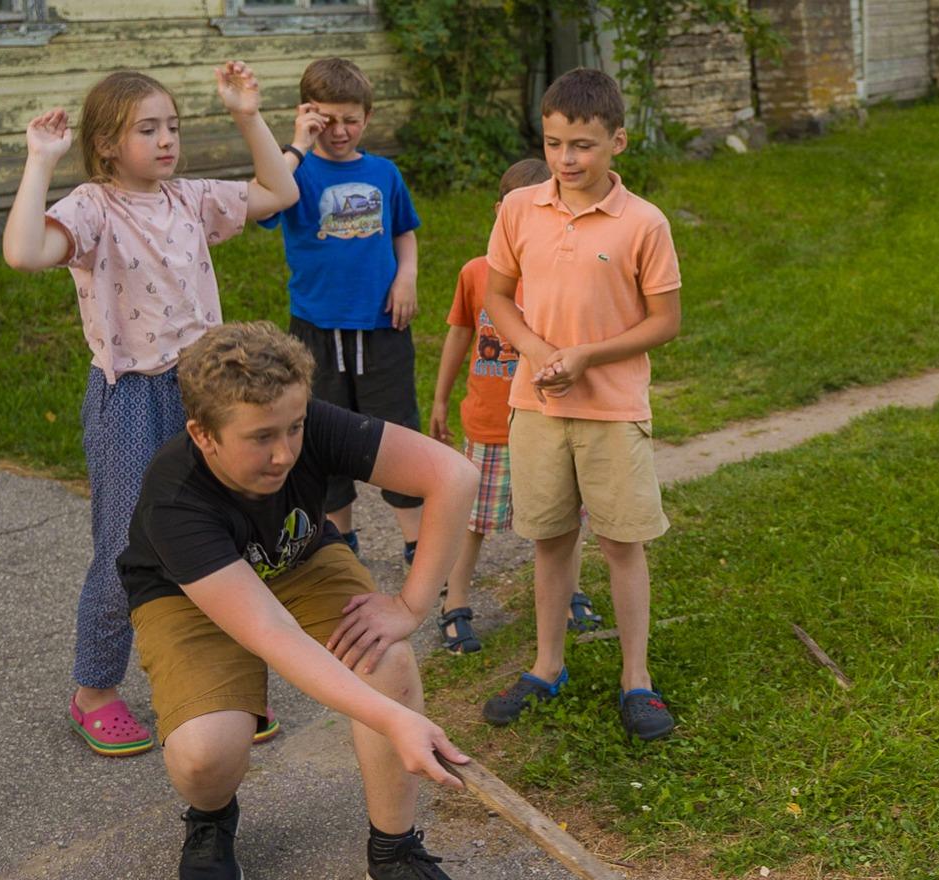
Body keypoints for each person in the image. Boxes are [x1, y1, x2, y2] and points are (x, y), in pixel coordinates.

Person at [117, 320, 478, 880]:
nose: (285, 453)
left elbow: (454, 476)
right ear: (203, 434)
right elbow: (273, 632)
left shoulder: (300, 420)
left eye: (294, 427)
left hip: (297, 558)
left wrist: (411, 606)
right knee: (205, 753)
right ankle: (211, 816)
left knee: (387, 661)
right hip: (189, 595)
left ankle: (393, 852)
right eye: (261, 437)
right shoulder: (175, 498)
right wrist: (396, 721)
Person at [2, 63, 299, 758]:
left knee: (222, 536)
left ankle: (220, 683)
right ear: (107, 144)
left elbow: (279, 192)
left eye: (172, 126)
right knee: (125, 545)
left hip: (209, 392)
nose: (166, 140)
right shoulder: (93, 208)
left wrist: (246, 114)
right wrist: (40, 160)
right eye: (147, 130)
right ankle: (94, 691)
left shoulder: (190, 198)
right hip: (132, 397)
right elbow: (22, 251)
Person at [480, 69, 682, 741]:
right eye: (554, 143)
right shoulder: (519, 209)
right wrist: (539, 352)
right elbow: (498, 296)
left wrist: (587, 357)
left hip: (613, 410)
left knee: (622, 541)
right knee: (550, 539)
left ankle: (636, 679)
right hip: (536, 407)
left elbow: (665, 320)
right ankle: (547, 665)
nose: (566, 159)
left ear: (617, 141)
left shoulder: (644, 223)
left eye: (583, 146)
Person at [428, 157, 602, 655]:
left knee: (565, 519)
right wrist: (440, 397)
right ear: (499, 213)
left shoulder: (565, 271)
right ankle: (454, 601)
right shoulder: (476, 273)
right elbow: (459, 335)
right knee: (473, 519)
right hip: (489, 422)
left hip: (551, 418)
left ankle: (568, 594)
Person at [260, 57, 423, 563]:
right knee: (320, 432)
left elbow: (404, 230)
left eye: (351, 120)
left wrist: (407, 275)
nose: (339, 131)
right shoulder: (294, 174)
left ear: (367, 117)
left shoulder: (384, 173)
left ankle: (418, 541)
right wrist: (297, 145)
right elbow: (263, 206)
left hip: (381, 326)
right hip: (316, 329)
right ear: (306, 115)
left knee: (396, 430)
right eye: (326, 120)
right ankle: (340, 539)